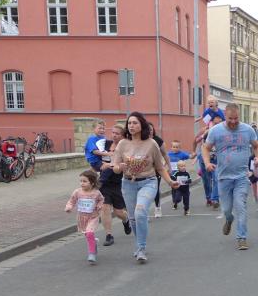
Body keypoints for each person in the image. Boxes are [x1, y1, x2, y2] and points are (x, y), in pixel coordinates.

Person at [112, 111, 179, 263]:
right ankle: (139, 244)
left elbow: (160, 167)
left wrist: (170, 182)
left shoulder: (151, 144)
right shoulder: (122, 144)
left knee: (140, 212)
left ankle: (141, 248)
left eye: (135, 123)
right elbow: (115, 167)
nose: (131, 126)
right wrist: (119, 167)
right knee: (133, 218)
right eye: (129, 123)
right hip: (128, 183)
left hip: (148, 181)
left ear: (142, 125)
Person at [203, 103, 258, 250]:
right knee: (226, 210)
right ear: (225, 116)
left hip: (242, 176)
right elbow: (206, 148)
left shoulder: (247, 130)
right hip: (224, 177)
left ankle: (242, 237)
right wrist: (207, 163)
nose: (234, 121)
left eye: (236, 118)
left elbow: (257, 146)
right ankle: (229, 220)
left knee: (241, 206)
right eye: (230, 119)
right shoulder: (216, 131)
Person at [98, 123, 132, 246]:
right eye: (113, 132)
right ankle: (109, 235)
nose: (114, 135)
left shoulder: (125, 148)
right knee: (105, 207)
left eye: (117, 134)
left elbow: (127, 165)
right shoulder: (105, 145)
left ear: (123, 136)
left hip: (117, 183)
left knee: (119, 212)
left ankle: (126, 220)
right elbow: (94, 158)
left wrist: (112, 165)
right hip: (104, 182)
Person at [64, 170, 105, 265]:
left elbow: (101, 200)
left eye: (85, 181)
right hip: (81, 218)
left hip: (93, 217)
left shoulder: (96, 193)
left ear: (92, 183)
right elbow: (71, 201)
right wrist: (69, 207)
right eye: (81, 181)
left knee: (89, 233)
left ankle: (92, 254)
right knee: (88, 234)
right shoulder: (77, 192)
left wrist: (99, 205)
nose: (82, 183)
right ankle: (93, 243)